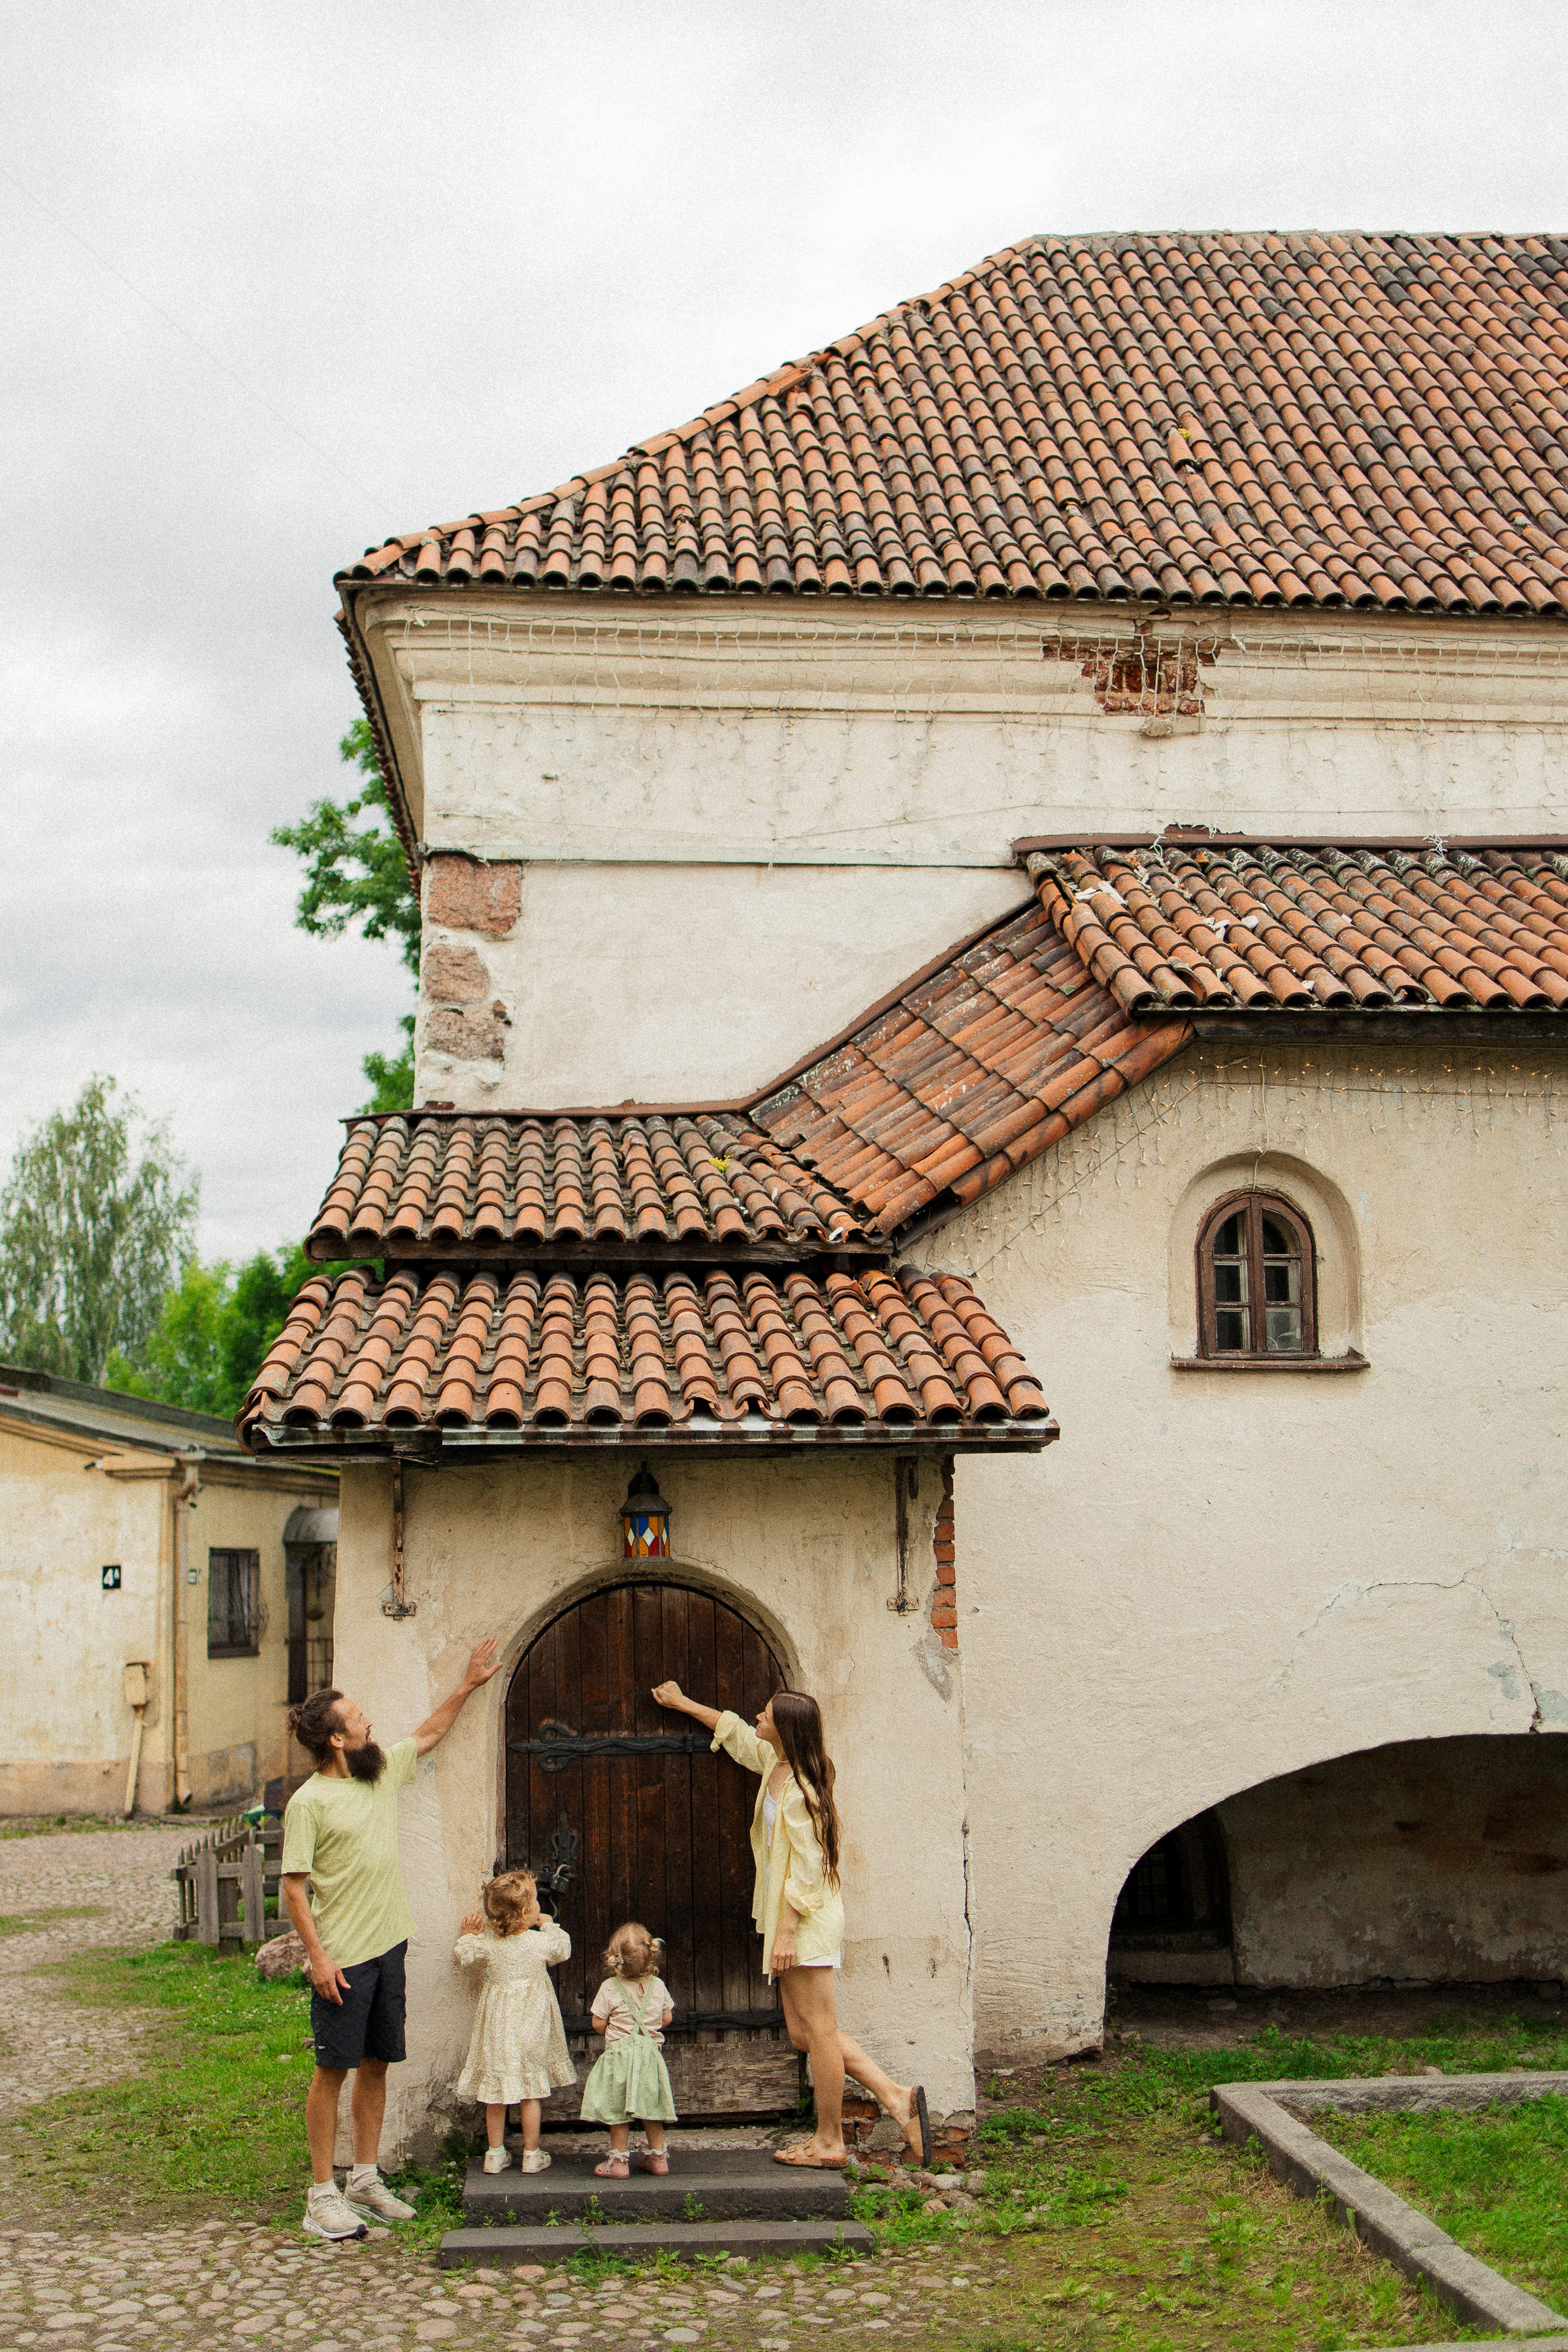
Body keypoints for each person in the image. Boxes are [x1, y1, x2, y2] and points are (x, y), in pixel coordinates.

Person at [651, 1678, 929, 2170]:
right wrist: (681, 1703)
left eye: (766, 1715)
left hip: (805, 1921)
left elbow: (810, 1865)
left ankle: (829, 2141)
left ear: (786, 1731)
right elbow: (735, 1734)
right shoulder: (776, 1767)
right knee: (804, 2034)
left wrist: (785, 1933)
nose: (757, 1717)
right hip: (791, 1921)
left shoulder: (802, 1789)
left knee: (820, 2031)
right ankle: (896, 2096)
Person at [280, 1638, 501, 2240]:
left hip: (388, 1948)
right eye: (357, 1718)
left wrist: (468, 1685)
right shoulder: (309, 1803)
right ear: (334, 1738)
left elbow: (427, 1735)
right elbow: (294, 1891)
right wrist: (318, 1959)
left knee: (377, 2066)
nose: (367, 1720)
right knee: (332, 2071)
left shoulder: (376, 1773)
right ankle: (322, 2194)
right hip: (343, 1960)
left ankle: (366, 2180)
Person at [453, 1869, 574, 2174]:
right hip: (531, 2030)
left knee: (496, 2091)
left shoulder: (488, 1944)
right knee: (530, 2091)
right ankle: (531, 2154)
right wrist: (549, 1925)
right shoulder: (537, 1943)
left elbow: (464, 1956)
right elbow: (563, 1949)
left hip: (497, 2031)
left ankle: (495, 2154)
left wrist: (468, 1935)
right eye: (535, 1903)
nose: (539, 1908)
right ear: (525, 1912)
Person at [579, 1921, 678, 2178]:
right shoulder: (658, 1986)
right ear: (650, 1955)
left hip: (619, 2059)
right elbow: (666, 2019)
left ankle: (619, 2163)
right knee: (651, 2109)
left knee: (617, 2110)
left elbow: (598, 2023)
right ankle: (658, 2158)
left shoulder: (610, 1988)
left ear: (615, 1959)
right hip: (649, 2058)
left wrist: (615, 2026)